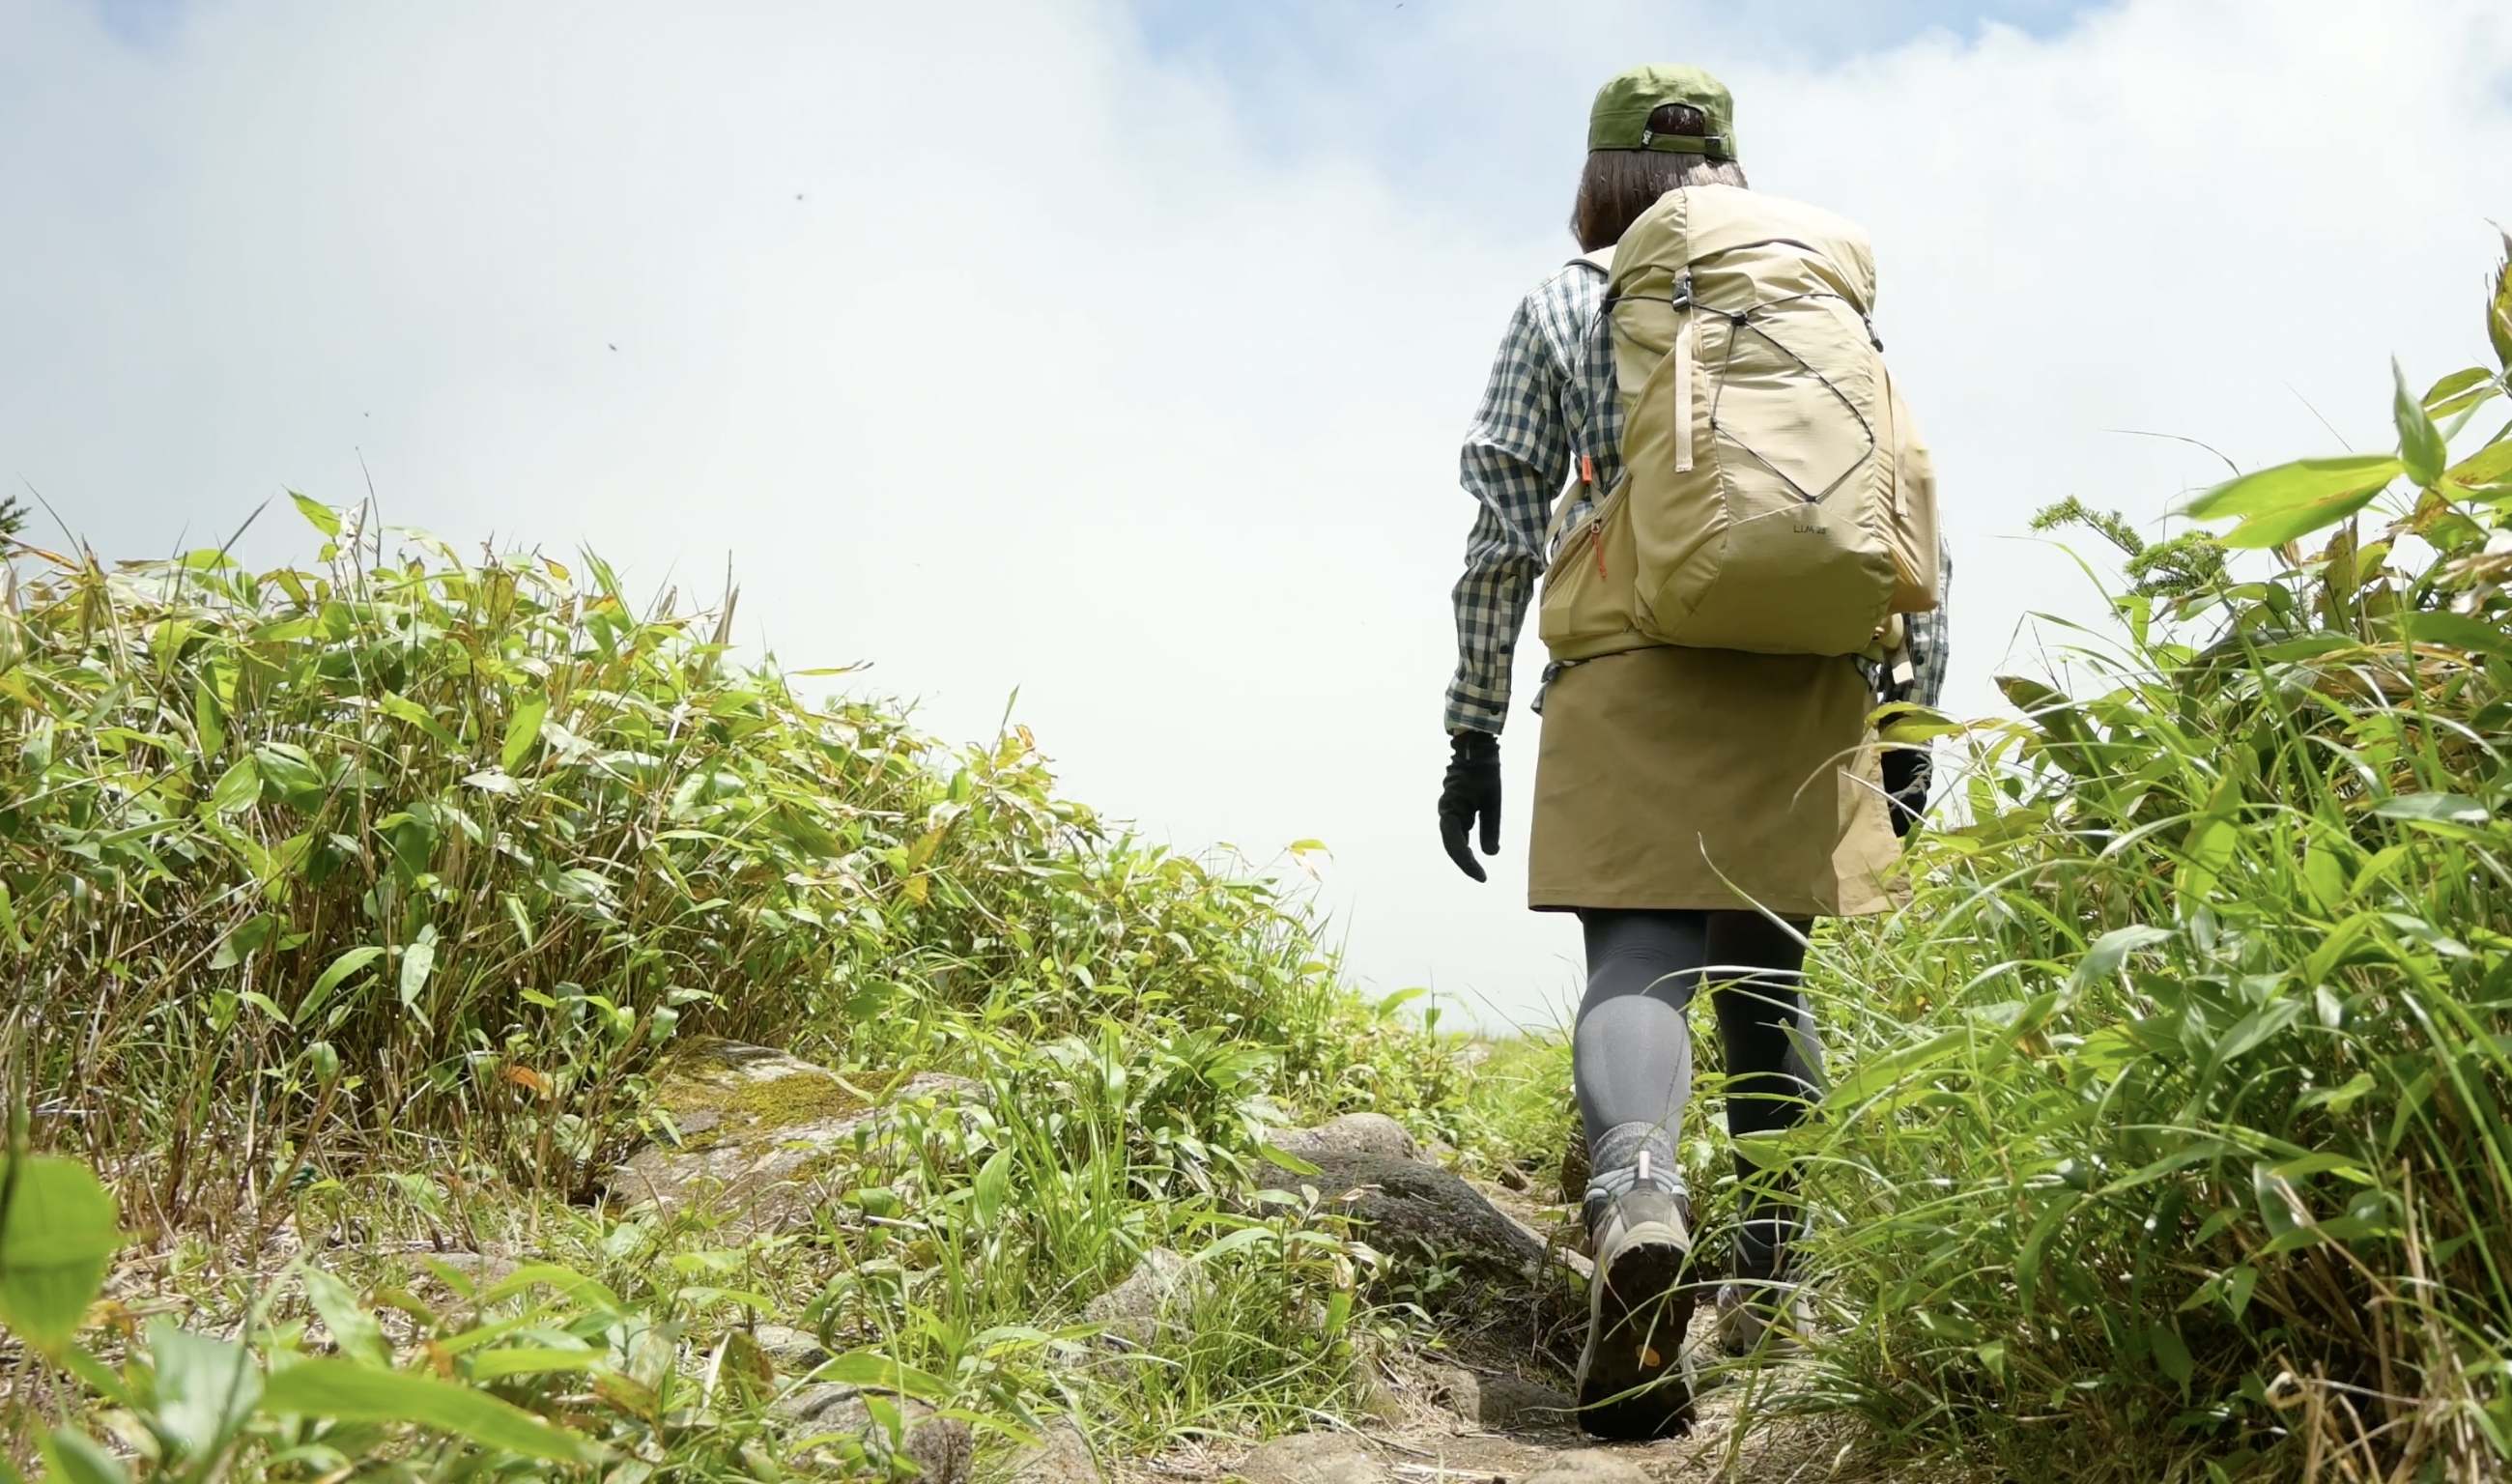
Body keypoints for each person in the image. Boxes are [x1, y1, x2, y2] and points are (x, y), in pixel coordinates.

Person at [1434, 64, 1951, 1440]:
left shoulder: (1568, 302)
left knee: (1640, 961)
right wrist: (1908, 721)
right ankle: (1775, 1298)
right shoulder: (1822, 298)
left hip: (1629, 665)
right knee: (1768, 977)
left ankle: (1641, 1202)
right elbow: (1904, 499)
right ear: (1725, 164)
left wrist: (1472, 723)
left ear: (1604, 176)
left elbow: (1500, 509)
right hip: (1809, 681)